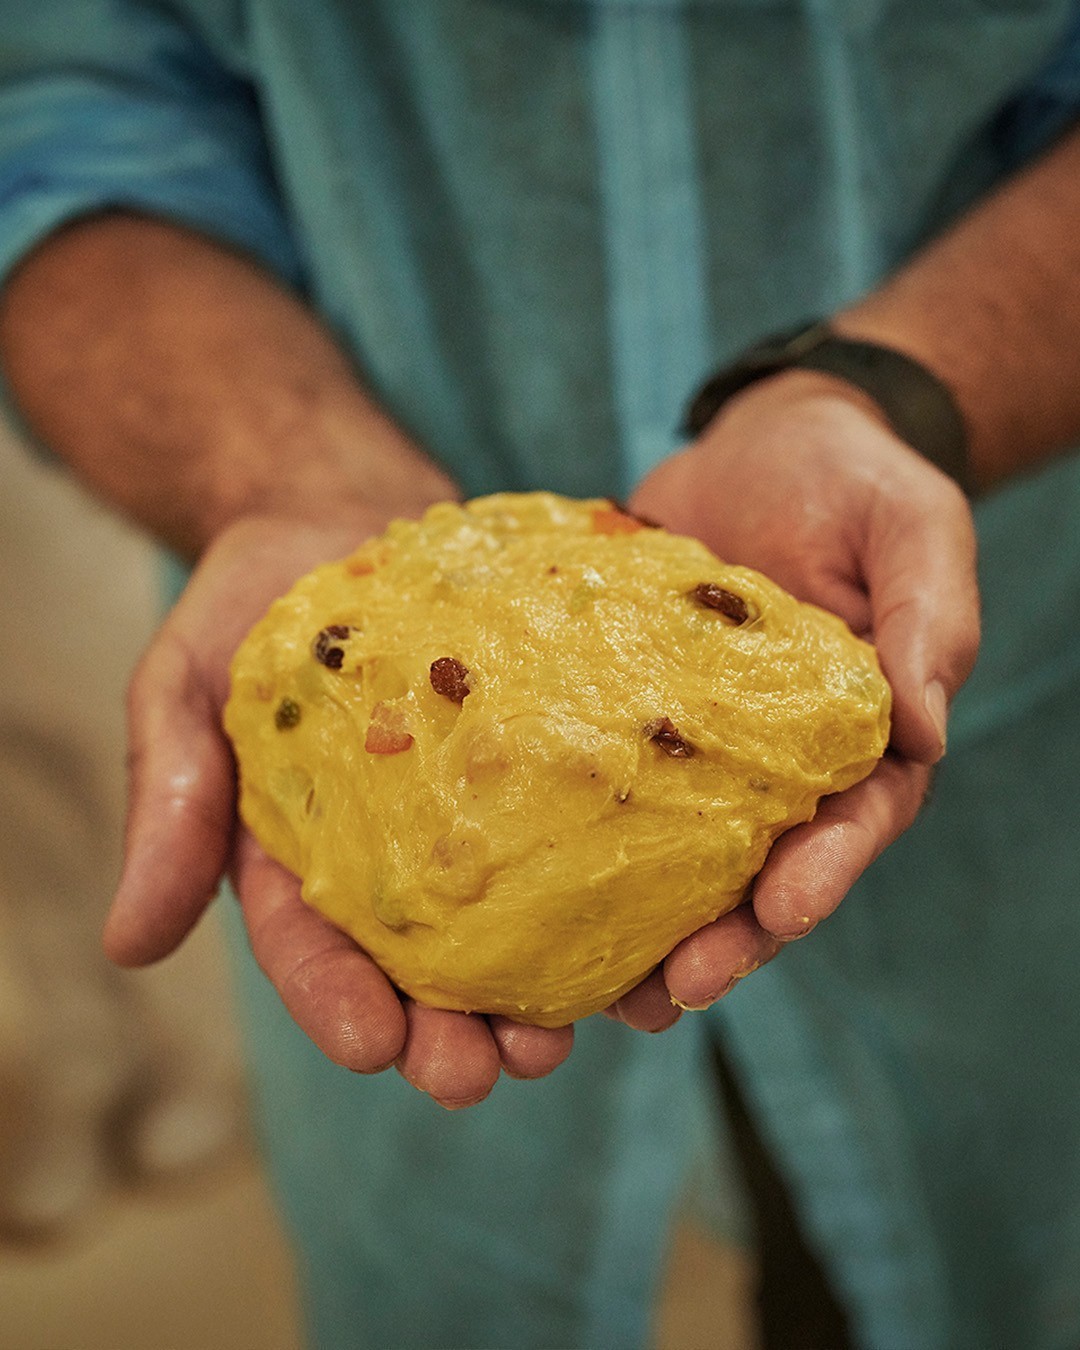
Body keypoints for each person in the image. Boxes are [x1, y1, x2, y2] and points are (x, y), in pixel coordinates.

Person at [0, 2, 1077, 1345]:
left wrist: (894, 388)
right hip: (348, 605)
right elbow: (54, 109)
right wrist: (272, 470)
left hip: (1007, 732)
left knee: (991, 1255)